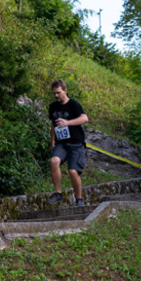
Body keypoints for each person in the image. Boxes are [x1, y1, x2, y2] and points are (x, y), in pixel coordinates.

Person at [46, 79, 89, 207]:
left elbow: (84, 118)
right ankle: (58, 194)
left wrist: (68, 122)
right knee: (53, 161)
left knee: (73, 171)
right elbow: (53, 124)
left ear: (65, 91)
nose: (56, 95)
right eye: (54, 93)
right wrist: (52, 141)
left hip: (76, 143)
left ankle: (79, 199)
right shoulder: (53, 107)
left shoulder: (73, 104)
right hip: (61, 143)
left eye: (58, 93)